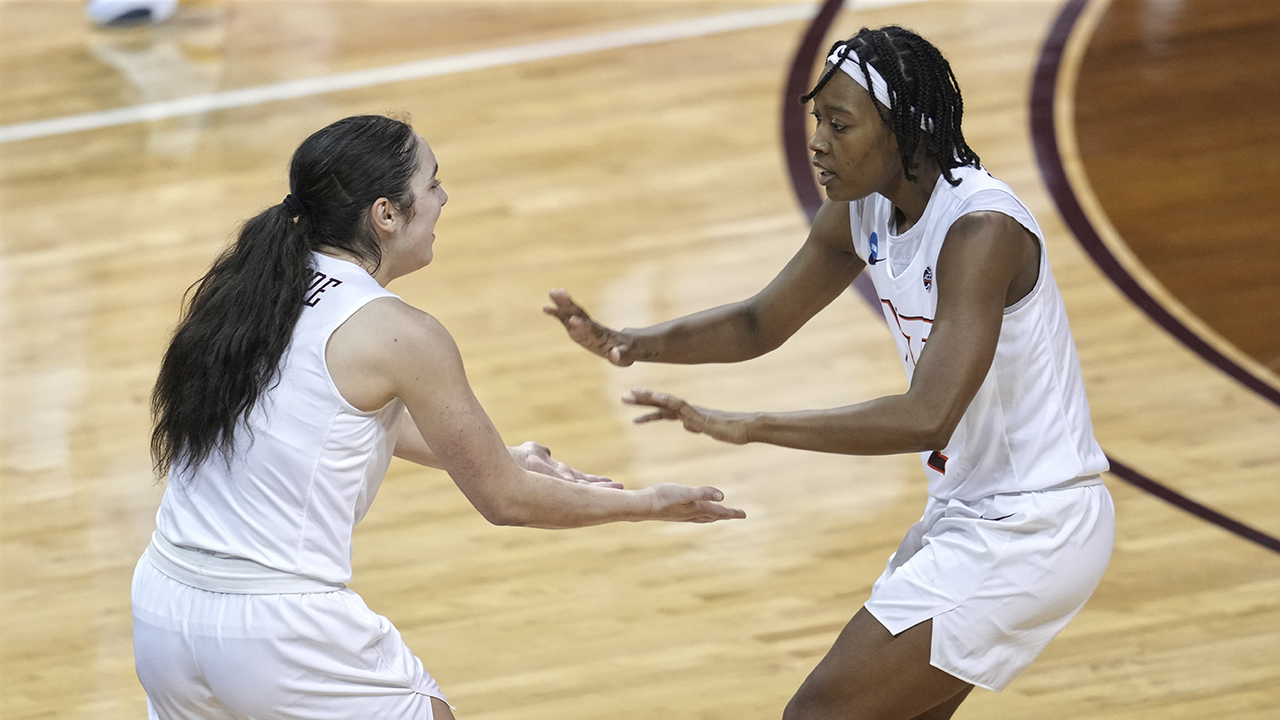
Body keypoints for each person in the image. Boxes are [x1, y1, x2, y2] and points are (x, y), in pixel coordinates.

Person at [545, 26, 1114, 720]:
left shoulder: (980, 232)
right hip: (971, 512)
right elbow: (761, 322)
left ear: (906, 128)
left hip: (1035, 523)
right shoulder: (863, 210)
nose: (818, 141)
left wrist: (752, 426)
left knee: (816, 714)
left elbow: (925, 417)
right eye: (817, 119)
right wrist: (628, 342)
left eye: (839, 124)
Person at [132, 114, 745, 720]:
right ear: (387, 214)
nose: (443, 198)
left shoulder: (250, 293)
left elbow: (323, 417)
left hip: (163, 607)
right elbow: (507, 502)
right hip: (278, 631)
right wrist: (648, 505)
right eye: (432, 183)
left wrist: (502, 456)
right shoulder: (400, 332)